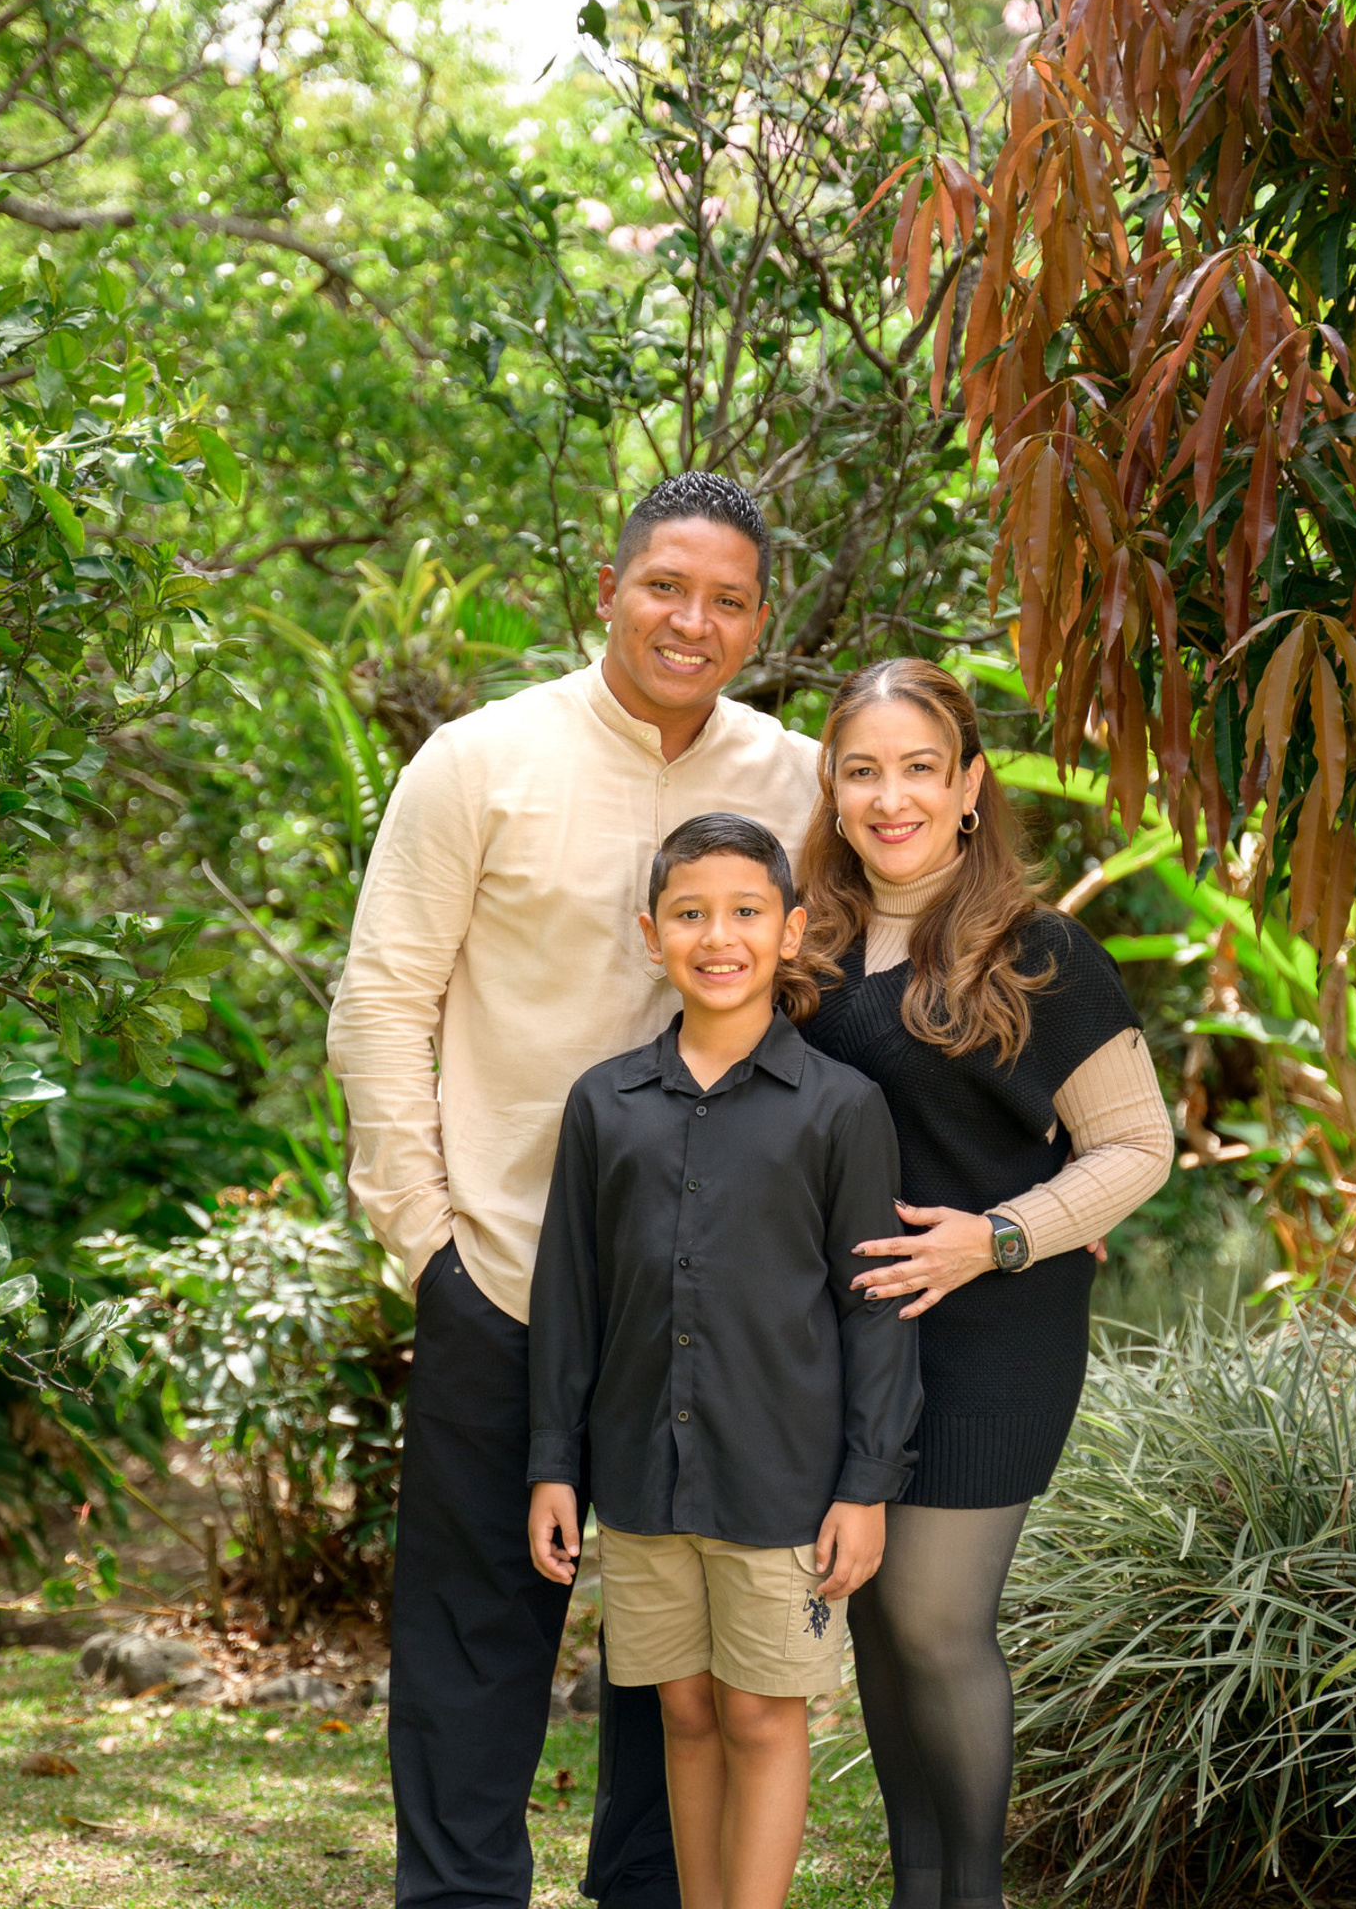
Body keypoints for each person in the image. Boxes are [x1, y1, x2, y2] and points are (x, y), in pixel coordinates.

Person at [326, 472, 820, 1909]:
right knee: (478, 1631)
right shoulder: (479, 761)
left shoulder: (793, 779)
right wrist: (427, 1237)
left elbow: (860, 988)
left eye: (728, 599)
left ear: (759, 622)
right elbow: (381, 1002)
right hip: (508, 1263)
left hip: (722, 1294)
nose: (693, 619)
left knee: (679, 1648)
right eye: (667, 585)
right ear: (609, 588)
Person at [793, 657, 1174, 1909]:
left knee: (937, 1623)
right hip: (850, 1342)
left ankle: (973, 1897)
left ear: (968, 788)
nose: (889, 799)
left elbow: (1136, 1146)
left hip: (992, 1335)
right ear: (834, 790)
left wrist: (998, 1237)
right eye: (863, 772)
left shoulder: (1040, 952)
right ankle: (920, 1889)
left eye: (918, 769)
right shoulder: (810, 952)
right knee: (877, 1630)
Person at [527, 812, 922, 1909]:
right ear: (653, 934)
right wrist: (555, 1464)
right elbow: (571, 1291)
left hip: (783, 1479)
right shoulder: (604, 1103)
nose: (720, 936)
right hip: (641, 1476)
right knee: (687, 1710)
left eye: (747, 912)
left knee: (758, 1713)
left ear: (791, 930)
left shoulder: (843, 1109)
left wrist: (865, 1485)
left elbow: (876, 1309)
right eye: (691, 914)